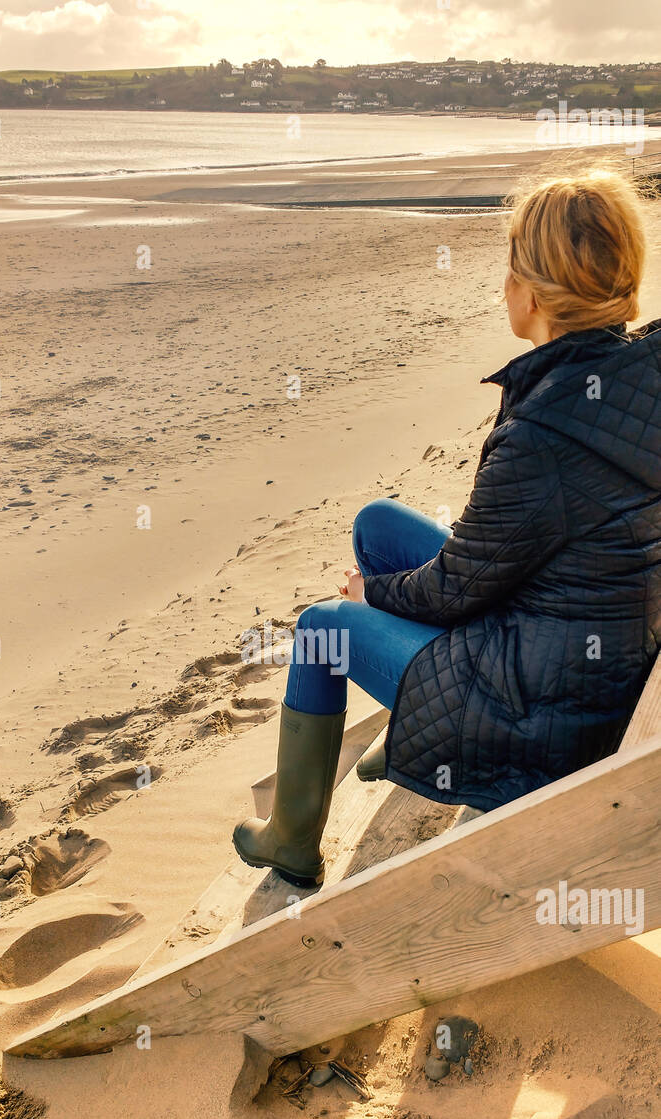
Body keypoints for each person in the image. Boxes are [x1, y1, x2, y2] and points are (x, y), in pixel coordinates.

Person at [234, 166, 660, 887]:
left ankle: (290, 841)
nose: (503, 286)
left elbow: (456, 589)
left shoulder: (544, 434)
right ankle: (407, 723)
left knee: (320, 628)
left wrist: (372, 599)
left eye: (509, 269)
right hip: (588, 648)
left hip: (543, 710)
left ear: (529, 293)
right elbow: (497, 557)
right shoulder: (633, 373)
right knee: (378, 527)